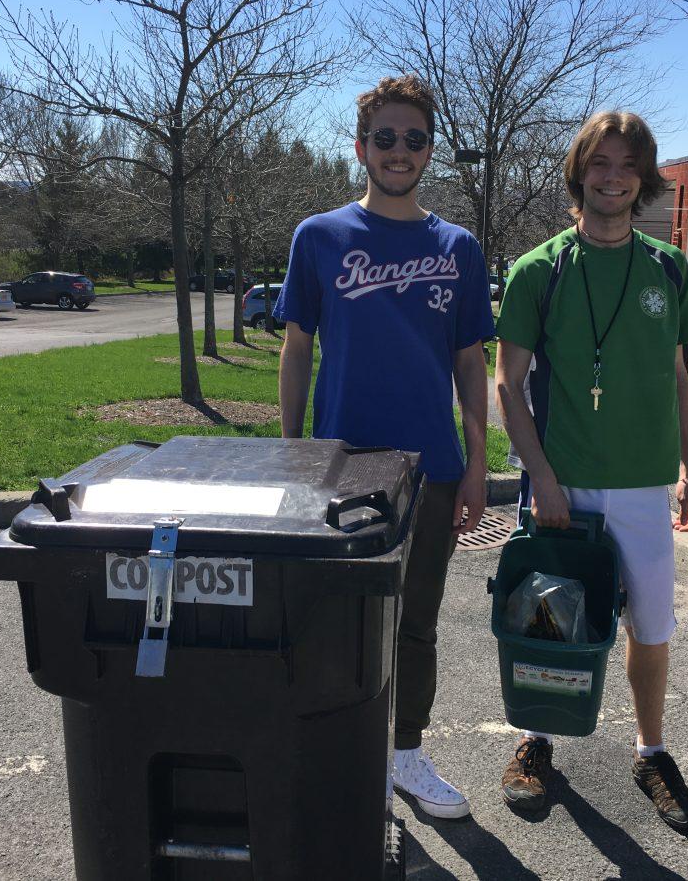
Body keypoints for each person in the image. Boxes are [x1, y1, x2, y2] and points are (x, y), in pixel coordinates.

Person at [274, 75, 495, 820]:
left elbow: (472, 365)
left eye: (415, 139)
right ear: (361, 146)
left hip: (430, 467)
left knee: (417, 620)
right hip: (342, 469)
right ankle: (341, 750)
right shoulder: (320, 237)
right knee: (334, 618)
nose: (400, 152)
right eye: (386, 138)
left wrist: (476, 467)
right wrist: (291, 450)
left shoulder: (458, 248)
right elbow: (297, 347)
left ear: (429, 149)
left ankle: (404, 754)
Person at [493, 111, 688, 832]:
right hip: (565, 484)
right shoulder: (538, 271)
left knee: (650, 627)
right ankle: (536, 742)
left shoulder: (668, 268)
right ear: (579, 172)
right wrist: (543, 480)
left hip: (646, 486)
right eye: (599, 163)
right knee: (549, 620)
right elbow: (505, 385)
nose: (612, 177)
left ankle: (650, 752)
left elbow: (678, 377)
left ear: (643, 178)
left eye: (626, 165)